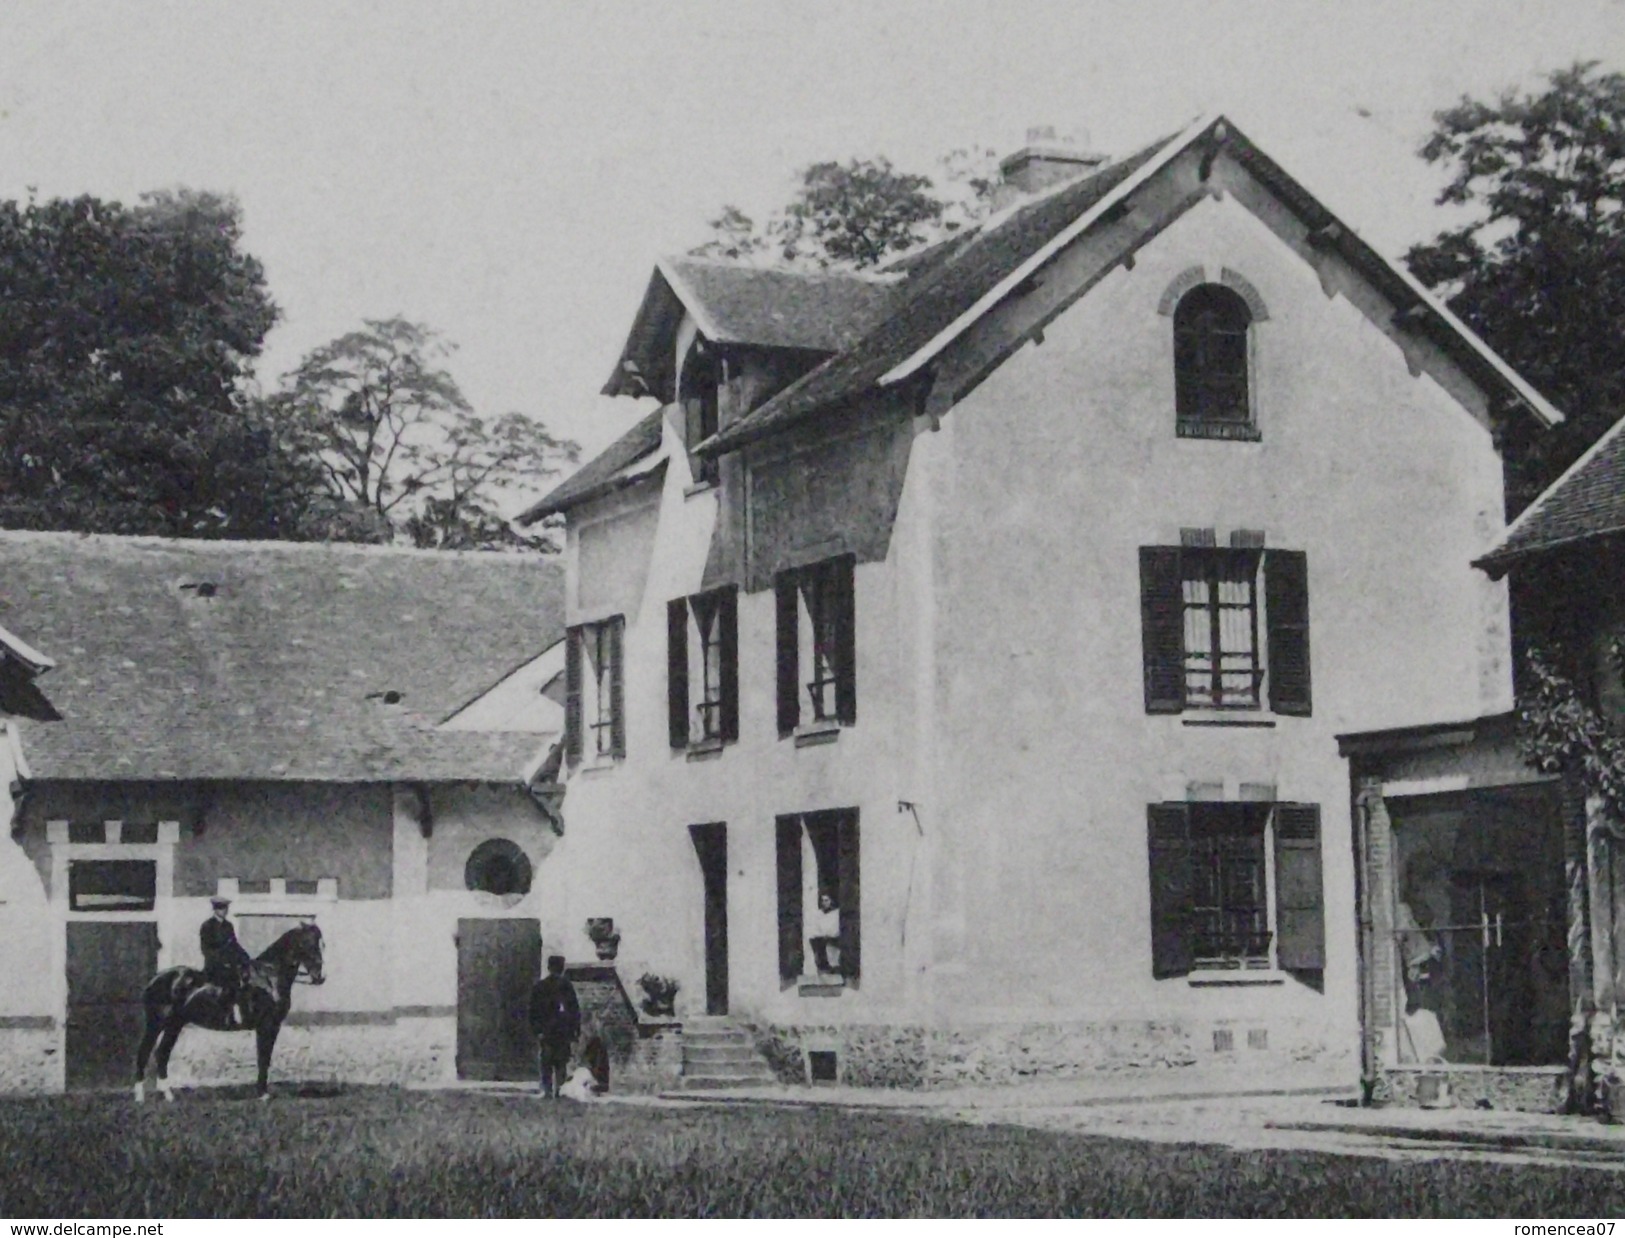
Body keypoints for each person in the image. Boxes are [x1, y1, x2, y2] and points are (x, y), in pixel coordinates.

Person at [528, 954, 580, 1099]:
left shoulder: (541, 986)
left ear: (548, 967)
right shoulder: (566, 986)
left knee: (547, 1061)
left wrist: (537, 1030)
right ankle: (559, 1089)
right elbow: (574, 1010)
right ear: (562, 968)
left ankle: (548, 1089)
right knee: (560, 1061)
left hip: (548, 1031)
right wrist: (575, 1030)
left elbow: (533, 1011)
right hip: (561, 1030)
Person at [200, 895, 254, 1028]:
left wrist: (246, 958)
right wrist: (222, 961)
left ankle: (246, 1020)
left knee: (244, 987)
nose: (224, 911)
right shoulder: (207, 926)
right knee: (228, 988)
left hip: (230, 966)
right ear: (215, 910)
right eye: (221, 908)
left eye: (226, 908)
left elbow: (234, 945)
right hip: (214, 966)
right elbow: (206, 949)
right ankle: (226, 1019)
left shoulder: (228, 926)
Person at [808, 890, 841, 976]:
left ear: (831, 901)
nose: (824, 903)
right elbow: (815, 929)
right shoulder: (818, 914)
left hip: (833, 939)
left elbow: (835, 930)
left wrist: (829, 934)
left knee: (832, 951)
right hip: (821, 939)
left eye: (826, 900)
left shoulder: (836, 913)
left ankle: (834, 968)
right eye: (822, 901)